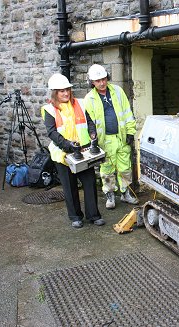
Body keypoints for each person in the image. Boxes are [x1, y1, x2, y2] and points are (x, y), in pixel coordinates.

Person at [42, 73, 105, 228]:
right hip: (63, 154)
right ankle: (75, 217)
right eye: (61, 91)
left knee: (89, 184)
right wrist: (68, 145)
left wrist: (92, 133)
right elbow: (52, 132)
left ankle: (94, 215)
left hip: (83, 152)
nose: (65, 93)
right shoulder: (49, 110)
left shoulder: (81, 104)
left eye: (67, 90)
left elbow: (89, 122)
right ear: (55, 93)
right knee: (69, 187)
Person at [84, 64, 139, 209]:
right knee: (107, 169)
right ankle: (110, 196)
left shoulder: (118, 91)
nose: (102, 83)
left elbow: (127, 113)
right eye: (98, 81)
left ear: (107, 77)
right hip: (105, 140)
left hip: (120, 137)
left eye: (103, 79)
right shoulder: (89, 99)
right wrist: (93, 137)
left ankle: (125, 193)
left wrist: (130, 132)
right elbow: (89, 121)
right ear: (92, 82)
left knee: (125, 167)